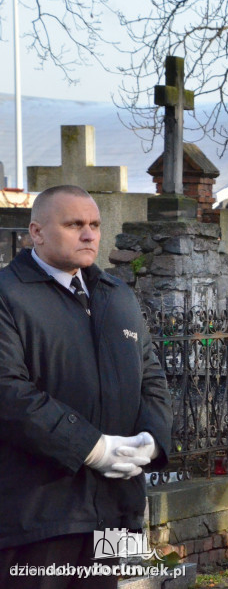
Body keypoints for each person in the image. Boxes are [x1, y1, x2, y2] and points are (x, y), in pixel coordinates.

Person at [0, 185, 172, 588]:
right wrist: (92, 448)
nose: (89, 234)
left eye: (94, 224)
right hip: (39, 515)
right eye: (74, 224)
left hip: (118, 509)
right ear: (36, 232)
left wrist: (151, 440)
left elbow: (151, 376)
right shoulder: (8, 295)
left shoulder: (117, 295)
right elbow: (8, 391)